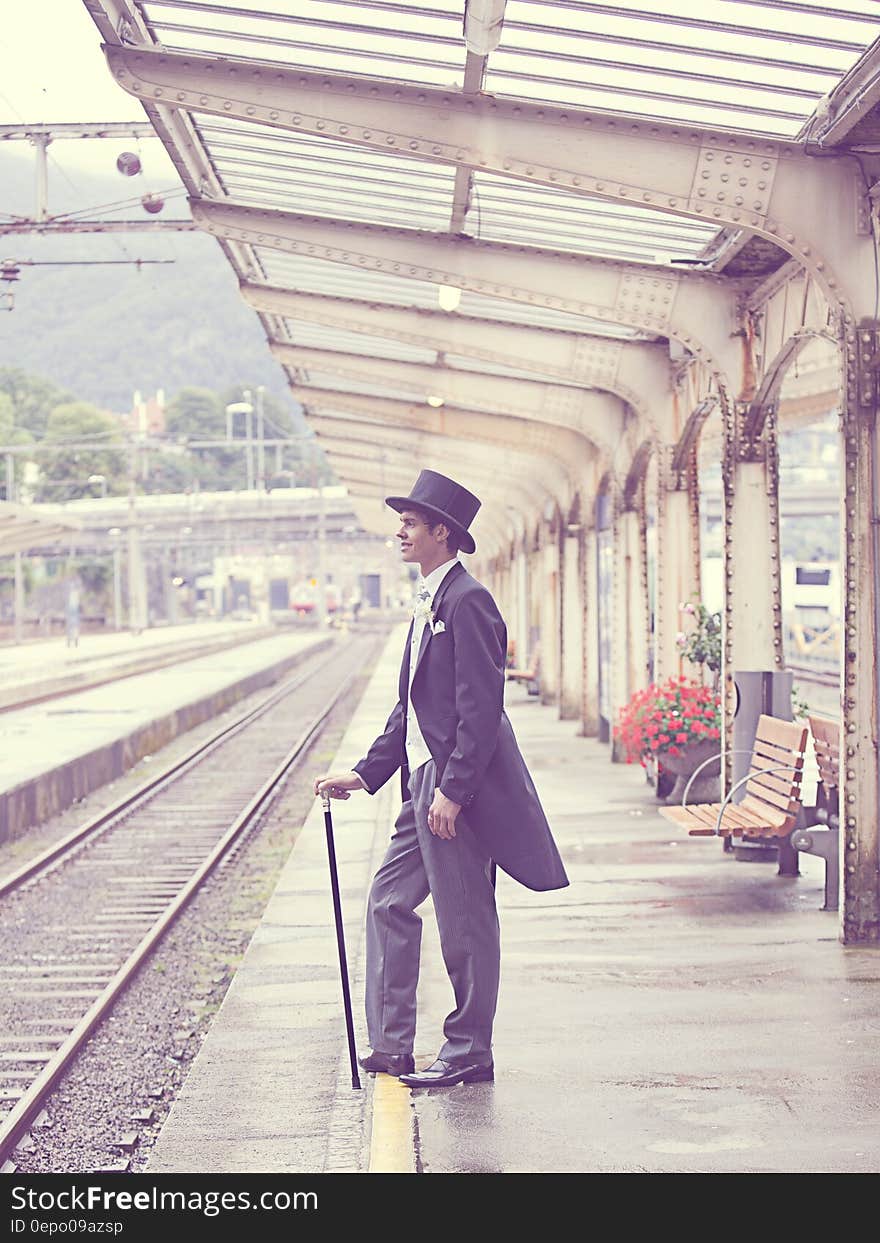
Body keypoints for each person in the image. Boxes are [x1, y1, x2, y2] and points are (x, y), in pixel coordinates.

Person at [314, 469, 568, 1088]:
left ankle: (470, 1049)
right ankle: (393, 1043)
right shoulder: (429, 600)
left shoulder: (467, 601)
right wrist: (364, 773)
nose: (399, 531)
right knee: (388, 900)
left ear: (441, 532)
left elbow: (483, 708)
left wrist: (455, 792)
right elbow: (411, 708)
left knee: (464, 920)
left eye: (409, 523)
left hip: (452, 788)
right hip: (419, 784)